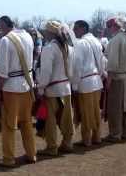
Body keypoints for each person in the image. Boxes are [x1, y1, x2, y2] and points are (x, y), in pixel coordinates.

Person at [0, 15, 36, 167]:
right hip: (27, 84)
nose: (0, 30)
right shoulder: (28, 37)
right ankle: (31, 154)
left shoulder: (5, 41)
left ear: (4, 25)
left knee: (8, 125)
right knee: (26, 123)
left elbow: (3, 71)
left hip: (11, 87)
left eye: (0, 26)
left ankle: (8, 158)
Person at [36, 21, 75, 156]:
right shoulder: (69, 48)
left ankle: (52, 147)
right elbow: (71, 70)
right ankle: (67, 143)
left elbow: (46, 71)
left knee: (50, 119)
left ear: (49, 33)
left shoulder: (49, 48)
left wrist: (41, 88)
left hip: (53, 90)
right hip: (66, 87)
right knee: (66, 118)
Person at [72, 20, 104, 146]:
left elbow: (78, 65)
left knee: (86, 112)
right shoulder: (97, 41)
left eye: (76, 28)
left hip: (85, 82)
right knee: (96, 110)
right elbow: (102, 62)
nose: (74, 31)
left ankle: (87, 139)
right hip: (97, 80)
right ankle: (97, 137)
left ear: (82, 28)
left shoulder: (80, 43)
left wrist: (75, 84)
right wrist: (100, 74)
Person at [104, 16, 126, 142]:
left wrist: (109, 80)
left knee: (115, 108)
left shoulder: (116, 39)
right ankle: (125, 132)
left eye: (110, 26)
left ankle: (115, 134)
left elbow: (112, 62)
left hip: (118, 78)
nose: (109, 28)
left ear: (116, 26)